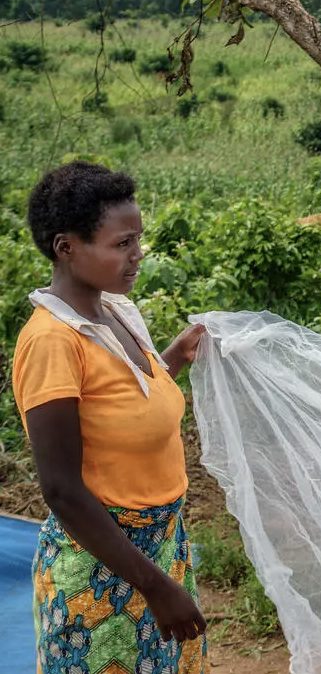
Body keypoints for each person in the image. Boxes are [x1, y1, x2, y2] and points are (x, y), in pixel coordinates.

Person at [13, 161, 209, 672]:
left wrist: (173, 359)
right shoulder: (53, 341)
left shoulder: (114, 311)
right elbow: (61, 488)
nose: (137, 255)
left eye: (137, 240)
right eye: (122, 243)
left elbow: (121, 405)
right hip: (102, 572)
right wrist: (155, 586)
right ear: (66, 247)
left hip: (160, 548)